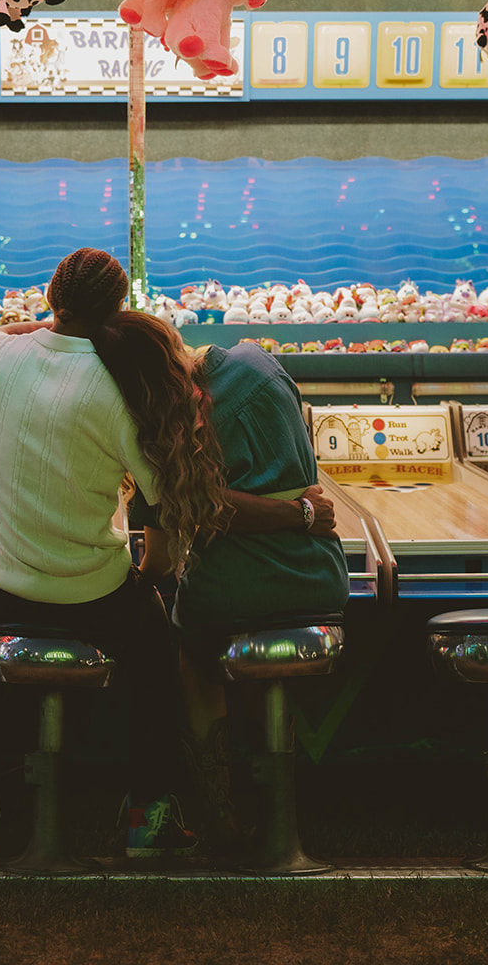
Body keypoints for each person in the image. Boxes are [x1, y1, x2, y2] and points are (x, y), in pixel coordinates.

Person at [0, 247, 231, 860]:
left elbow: (8, 331)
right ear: (117, 309)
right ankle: (150, 814)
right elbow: (162, 517)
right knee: (153, 652)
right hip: (94, 596)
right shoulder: (123, 388)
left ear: (49, 295)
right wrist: (149, 575)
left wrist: (50, 321)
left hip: (2, 592)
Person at [132, 338, 349, 849]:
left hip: (228, 594)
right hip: (319, 576)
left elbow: (163, 557)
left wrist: (137, 580)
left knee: (194, 652)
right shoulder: (261, 363)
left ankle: (219, 808)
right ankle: (278, 796)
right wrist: (301, 511)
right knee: (264, 652)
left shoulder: (159, 426)